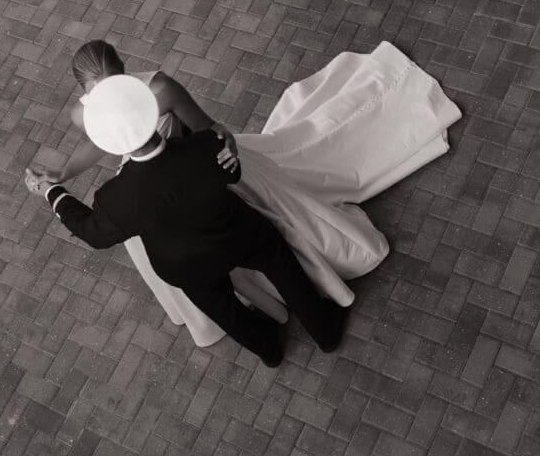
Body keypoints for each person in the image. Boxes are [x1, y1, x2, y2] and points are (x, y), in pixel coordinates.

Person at [28, 39, 462, 347]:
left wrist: (223, 146)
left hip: (176, 194)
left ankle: (267, 341)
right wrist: (66, 170)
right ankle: (319, 324)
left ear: (125, 76)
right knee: (268, 248)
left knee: (212, 278)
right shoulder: (94, 123)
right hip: (186, 184)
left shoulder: (152, 109)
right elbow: (107, 142)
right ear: (84, 97)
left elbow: (206, 127)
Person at [25, 75, 349, 366]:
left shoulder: (114, 198)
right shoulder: (203, 145)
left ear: (112, 142)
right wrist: (227, 148)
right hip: (236, 234)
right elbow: (233, 172)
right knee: (279, 262)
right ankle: (323, 328)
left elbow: (93, 234)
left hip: (184, 265)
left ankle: (267, 348)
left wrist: (53, 192)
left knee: (224, 309)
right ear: (151, 117)